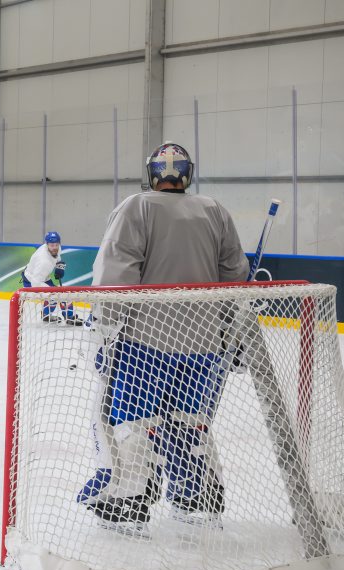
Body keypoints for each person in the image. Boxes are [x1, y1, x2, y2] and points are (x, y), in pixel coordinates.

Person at [77, 142, 249, 533]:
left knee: (132, 419)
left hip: (145, 341)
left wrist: (104, 331)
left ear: (152, 172)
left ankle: (129, 497)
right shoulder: (214, 210)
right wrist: (230, 333)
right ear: (188, 172)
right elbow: (235, 275)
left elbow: (115, 275)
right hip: (205, 346)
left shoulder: (136, 207)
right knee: (190, 423)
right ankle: (199, 496)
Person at [22, 231, 81, 325]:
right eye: (52, 245)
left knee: (59, 294)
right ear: (47, 244)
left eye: (56, 245)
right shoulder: (43, 261)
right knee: (57, 296)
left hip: (43, 277)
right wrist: (51, 294)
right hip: (32, 281)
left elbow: (57, 258)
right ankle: (68, 317)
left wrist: (59, 266)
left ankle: (47, 315)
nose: (54, 247)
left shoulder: (57, 249)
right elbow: (35, 282)